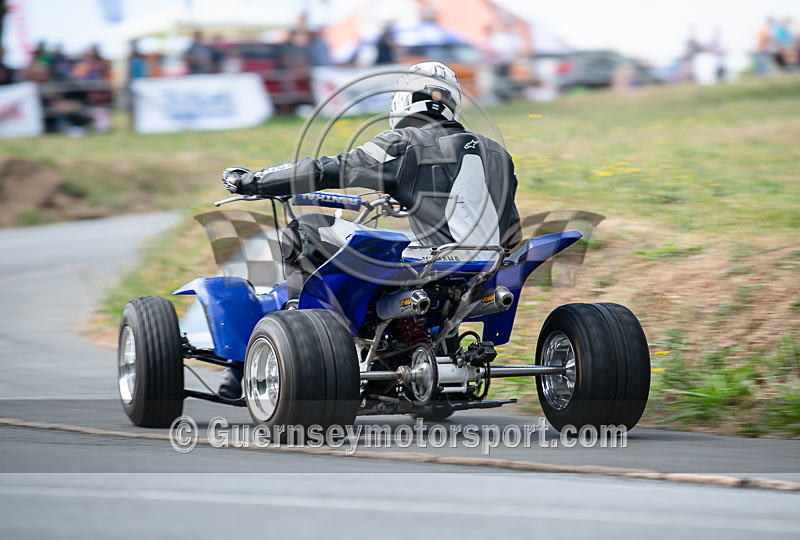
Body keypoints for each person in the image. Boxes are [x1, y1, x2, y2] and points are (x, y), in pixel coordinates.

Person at [216, 62, 522, 398]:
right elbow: (512, 233)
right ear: (452, 103)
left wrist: (253, 181)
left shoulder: (403, 142)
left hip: (432, 265)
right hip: (488, 270)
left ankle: (298, 338)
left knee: (304, 229)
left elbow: (326, 169)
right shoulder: (498, 153)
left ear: (402, 101)